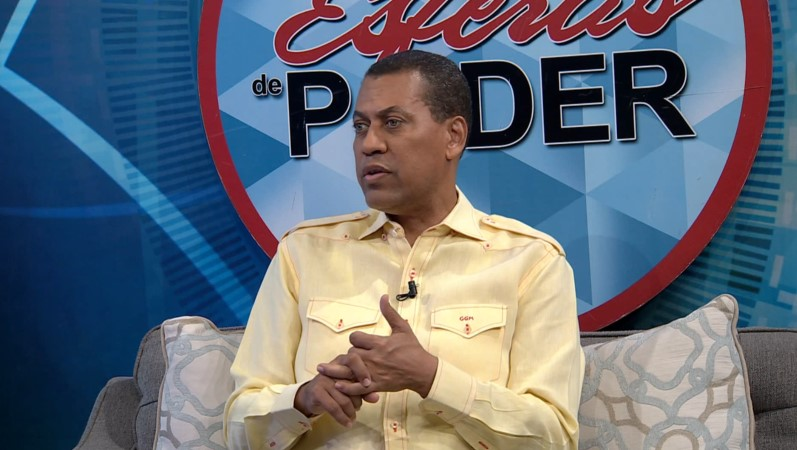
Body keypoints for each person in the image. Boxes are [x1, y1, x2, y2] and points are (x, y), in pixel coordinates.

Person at [224, 50, 585, 450]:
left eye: (392, 123)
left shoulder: (531, 262)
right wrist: (302, 400)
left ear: (453, 136)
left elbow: (554, 438)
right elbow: (238, 430)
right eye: (361, 127)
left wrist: (432, 378)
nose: (369, 144)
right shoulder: (303, 253)